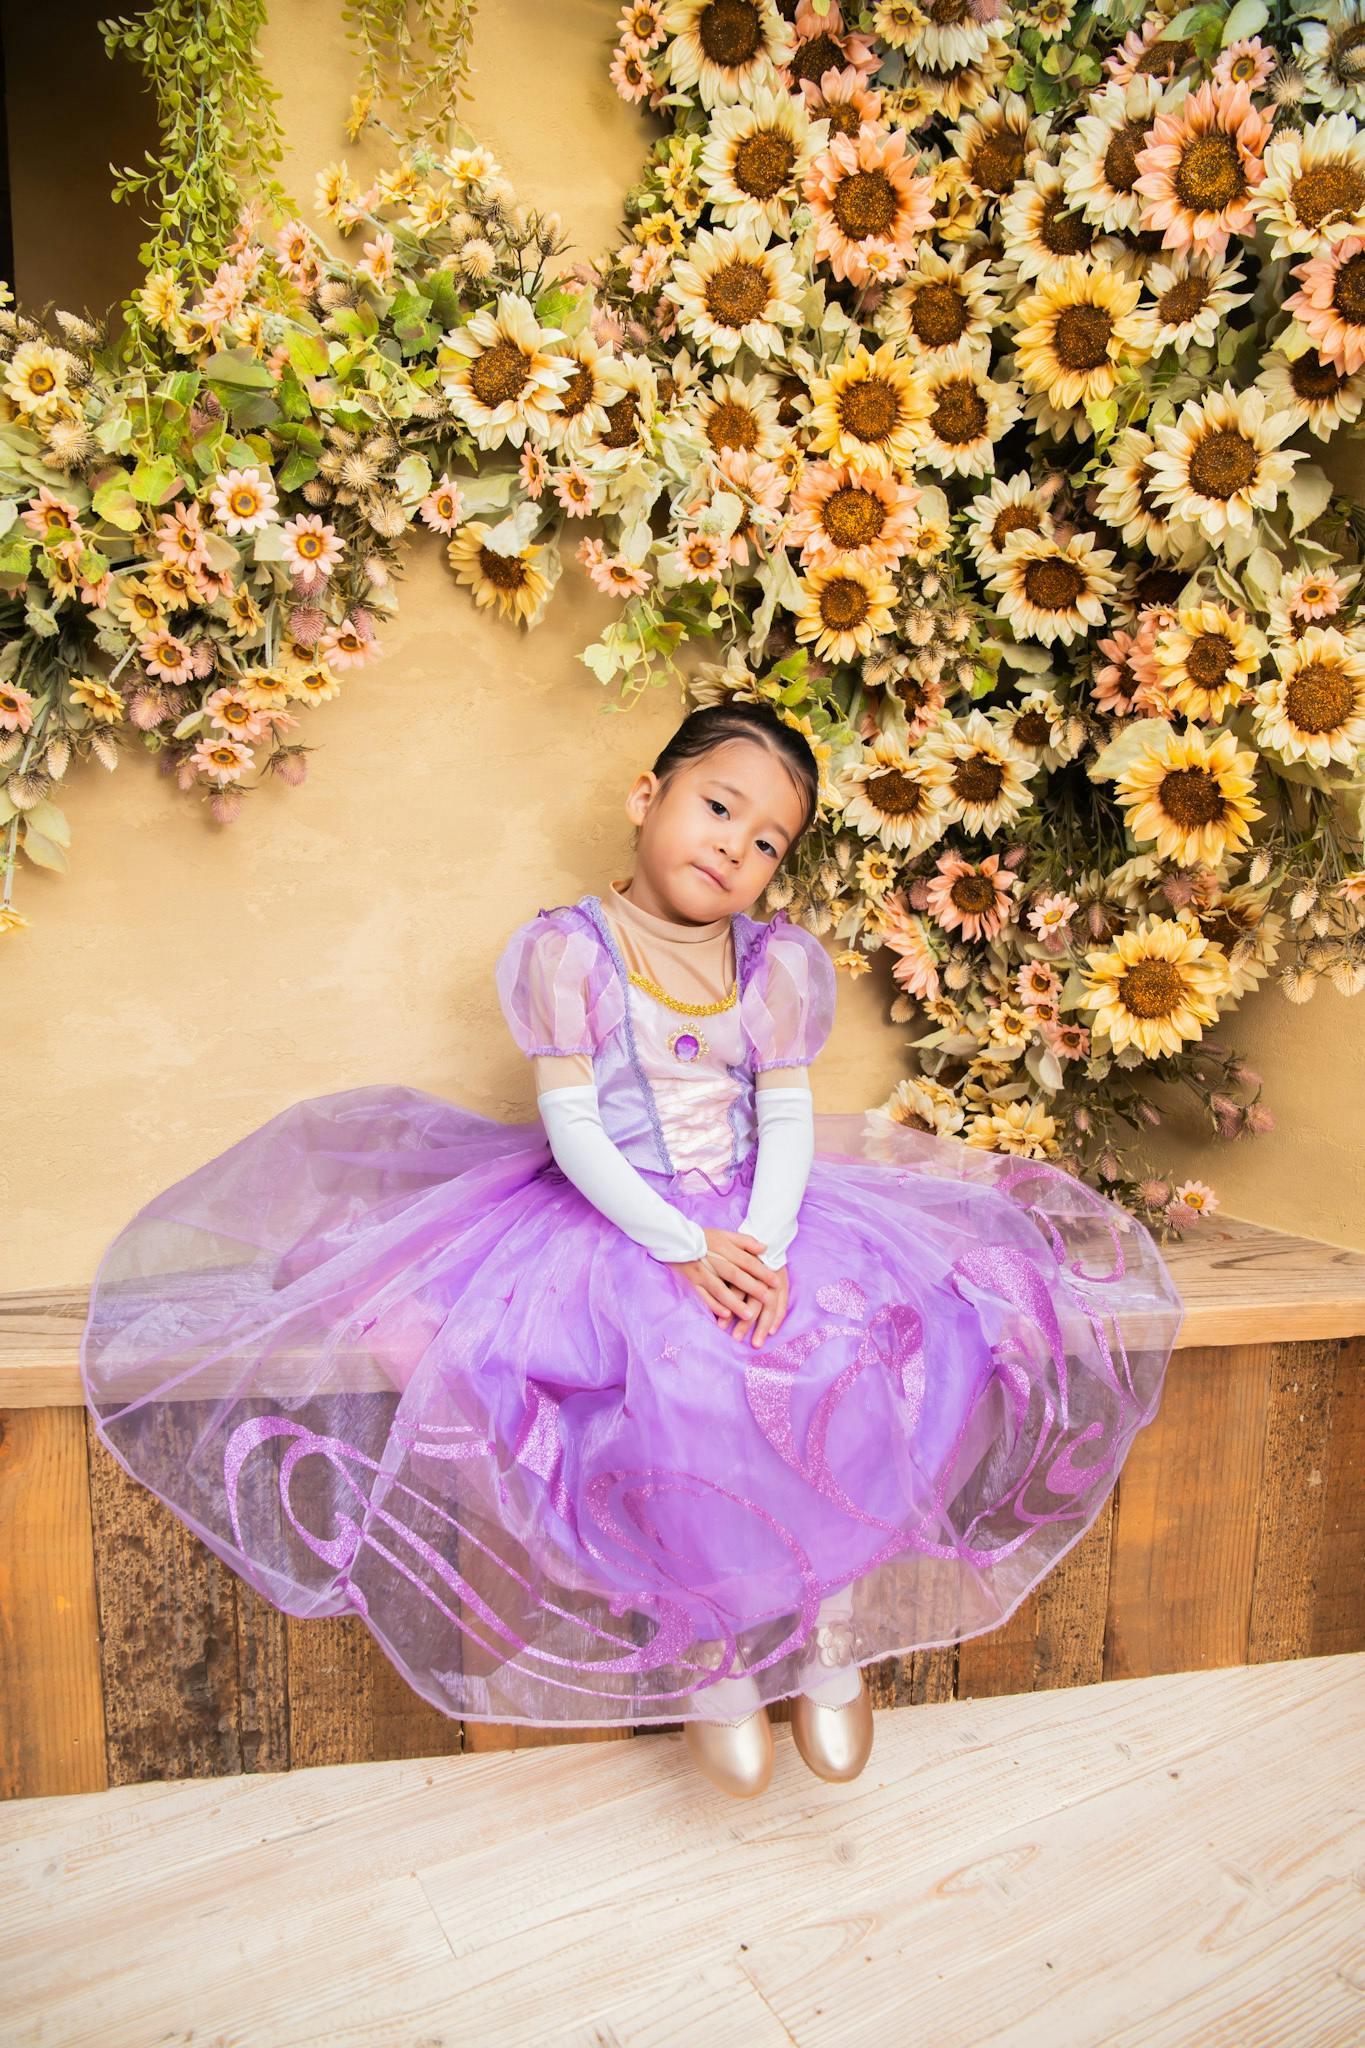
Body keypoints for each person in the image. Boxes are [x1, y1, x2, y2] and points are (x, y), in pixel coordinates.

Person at [80, 698, 1187, 1801]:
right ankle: (715, 1649)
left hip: (760, 1210)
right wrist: (682, 1245)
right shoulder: (570, 951)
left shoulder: (774, 965)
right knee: (687, 1379)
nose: (736, 847)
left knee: (850, 1345)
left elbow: (786, 1116)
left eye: (769, 842)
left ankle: (830, 1627)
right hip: (618, 1218)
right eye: (719, 807)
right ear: (646, 797)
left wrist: (762, 1243)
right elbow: (574, 1129)